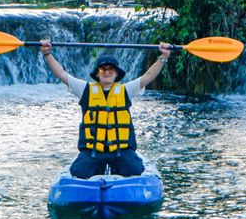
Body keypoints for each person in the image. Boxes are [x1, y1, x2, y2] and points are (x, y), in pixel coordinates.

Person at [40, 39, 172, 179]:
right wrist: (47, 53)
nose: (107, 72)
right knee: (78, 172)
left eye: (111, 69)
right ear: (97, 73)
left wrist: (163, 57)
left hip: (121, 151)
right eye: (103, 69)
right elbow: (61, 74)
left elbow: (148, 76)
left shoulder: (126, 90)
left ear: (116, 74)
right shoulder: (85, 89)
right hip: (93, 151)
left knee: (135, 170)